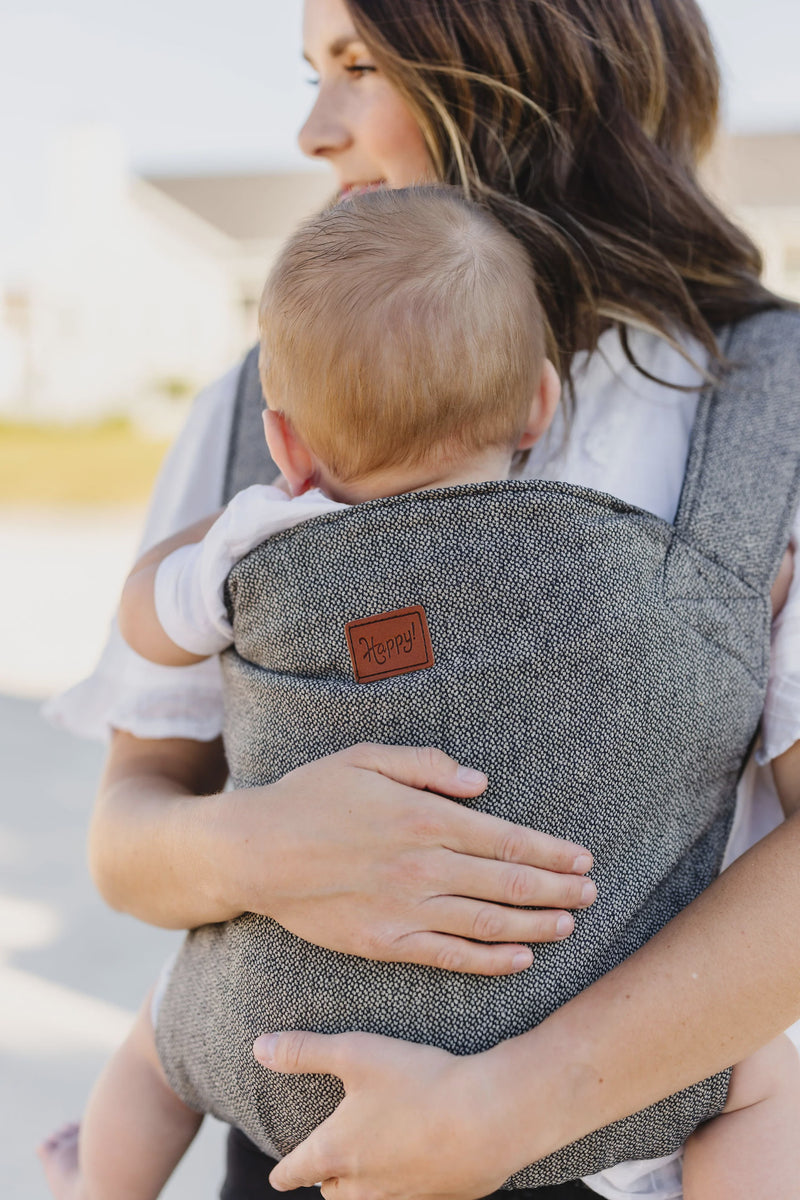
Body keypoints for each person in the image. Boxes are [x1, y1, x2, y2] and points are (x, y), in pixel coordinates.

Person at [43, 1, 800, 1198]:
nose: (310, 130)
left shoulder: (766, 406)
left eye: (356, 67)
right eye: (310, 73)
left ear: (527, 66)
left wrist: (511, 1105)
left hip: (609, 1150)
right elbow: (127, 838)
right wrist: (254, 843)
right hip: (307, 1155)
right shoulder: (253, 400)